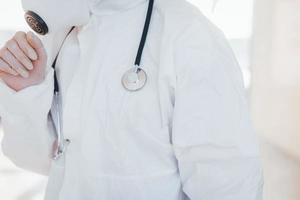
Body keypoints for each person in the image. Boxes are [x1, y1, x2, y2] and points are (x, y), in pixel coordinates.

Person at [0, 0, 263, 199]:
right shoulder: (61, 36)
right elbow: (36, 160)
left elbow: (230, 187)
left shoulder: (191, 40)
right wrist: (26, 90)